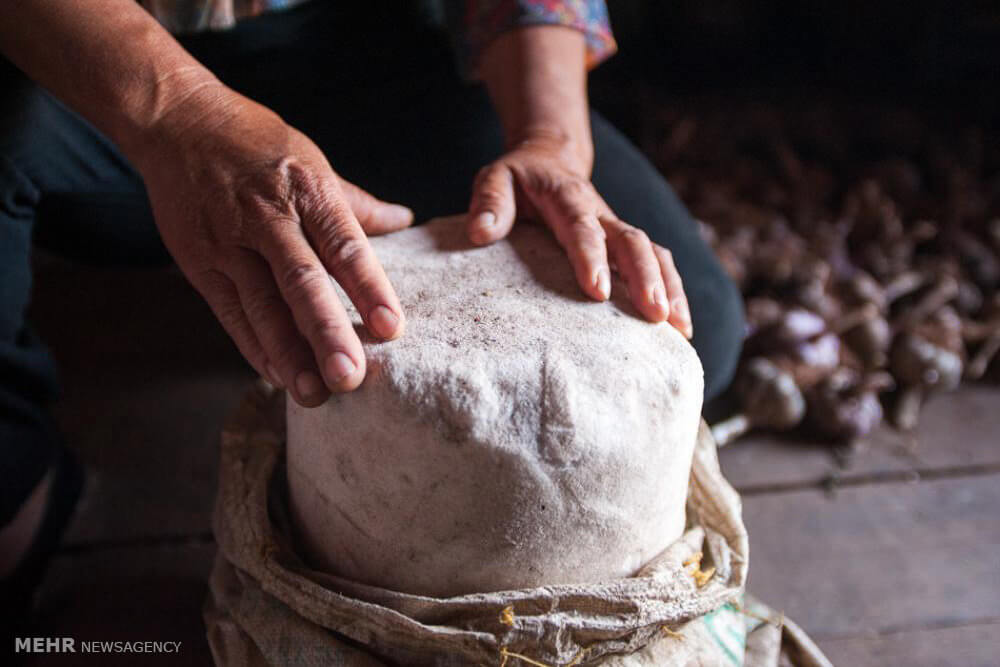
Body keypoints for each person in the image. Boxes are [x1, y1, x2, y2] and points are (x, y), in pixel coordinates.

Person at [0, 0, 743, 629]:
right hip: (84, 68)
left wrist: (547, 140)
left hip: (364, 46)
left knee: (690, 321)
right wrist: (185, 116)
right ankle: (23, 481)